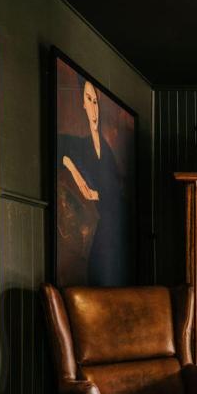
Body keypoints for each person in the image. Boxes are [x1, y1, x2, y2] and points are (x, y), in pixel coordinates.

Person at [57, 79, 132, 286]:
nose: (94, 107)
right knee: (97, 271)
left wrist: (98, 194)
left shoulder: (106, 149)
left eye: (96, 101)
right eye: (89, 100)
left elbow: (117, 190)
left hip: (112, 222)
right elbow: (60, 151)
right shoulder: (79, 144)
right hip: (100, 222)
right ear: (83, 104)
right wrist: (75, 173)